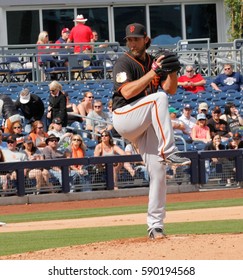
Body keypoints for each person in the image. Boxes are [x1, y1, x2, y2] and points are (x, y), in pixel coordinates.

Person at [112, 23, 191, 239]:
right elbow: (127, 92)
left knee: (158, 172)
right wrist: (153, 72)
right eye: (129, 39)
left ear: (146, 39)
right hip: (124, 117)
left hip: (145, 123)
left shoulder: (152, 61)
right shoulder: (124, 62)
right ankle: (169, 150)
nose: (132, 43)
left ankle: (155, 226)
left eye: (136, 39)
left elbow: (170, 89)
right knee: (158, 99)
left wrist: (173, 72)